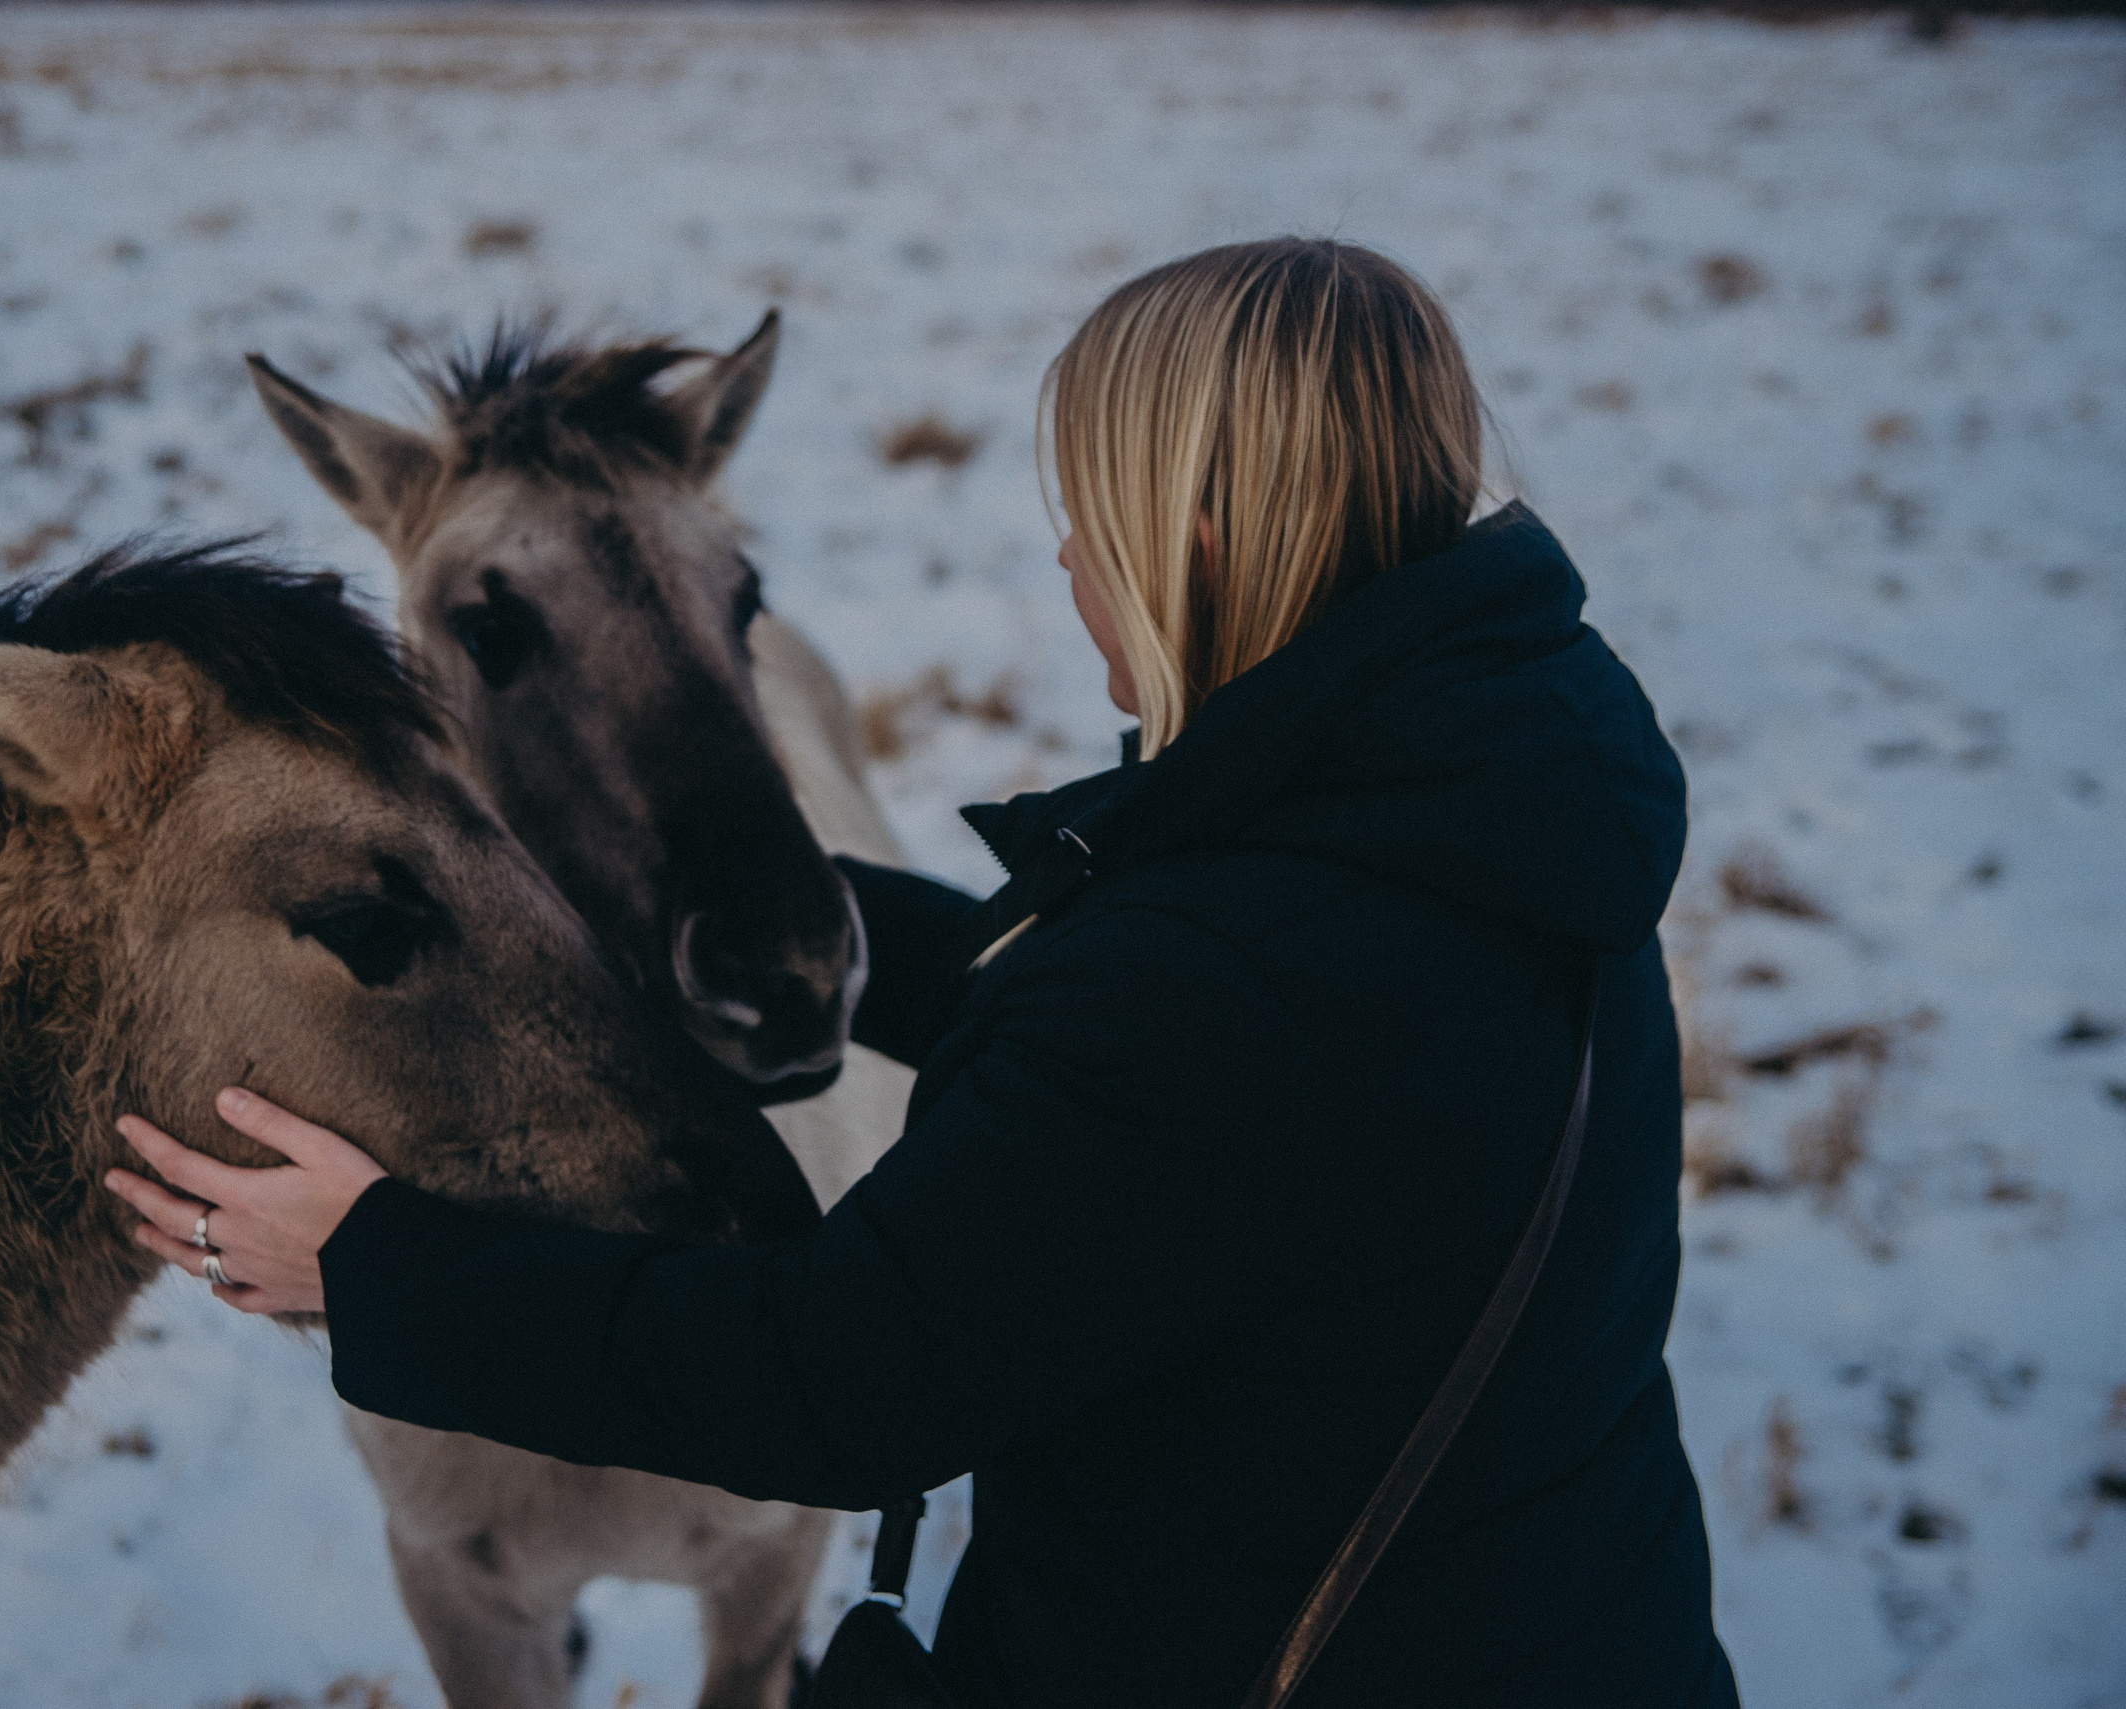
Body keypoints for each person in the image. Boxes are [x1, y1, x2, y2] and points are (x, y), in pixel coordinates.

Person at [105, 239, 1740, 1708]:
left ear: (1204, 540)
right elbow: (1236, 1102)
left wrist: (376, 1269)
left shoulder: (1217, 980)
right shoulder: (1507, 828)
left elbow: (846, 1378)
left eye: (1085, 520)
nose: (1064, 568)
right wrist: (820, 927)